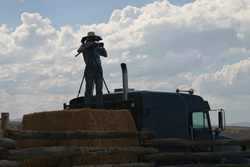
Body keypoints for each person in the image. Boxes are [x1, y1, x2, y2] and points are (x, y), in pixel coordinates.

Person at [77, 31, 107, 108]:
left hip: (98, 67)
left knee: (99, 87)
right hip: (89, 67)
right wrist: (90, 45)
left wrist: (103, 49)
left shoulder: (96, 46)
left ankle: (100, 105)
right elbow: (79, 51)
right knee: (89, 88)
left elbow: (105, 55)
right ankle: (87, 106)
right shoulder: (84, 45)